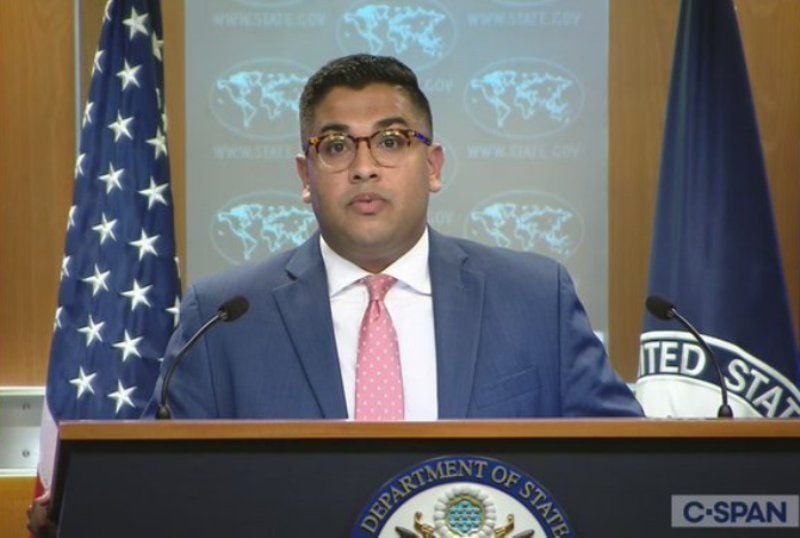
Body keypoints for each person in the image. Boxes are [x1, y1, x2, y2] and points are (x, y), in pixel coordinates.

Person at [145, 53, 642, 420]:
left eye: (390, 141)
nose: (364, 168)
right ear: (305, 175)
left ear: (433, 166)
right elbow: (160, 488)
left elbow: (622, 465)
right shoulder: (222, 319)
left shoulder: (534, 300)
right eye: (336, 146)